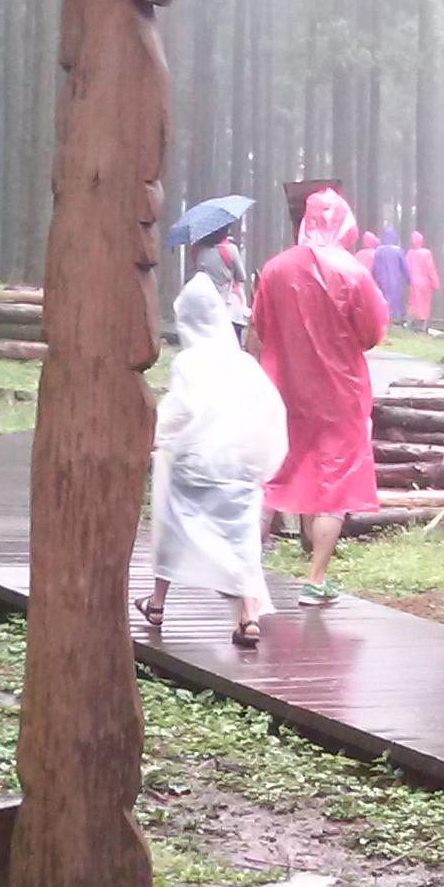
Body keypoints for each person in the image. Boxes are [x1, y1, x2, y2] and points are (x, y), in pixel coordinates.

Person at [249, 185, 386, 605]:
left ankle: (243, 570)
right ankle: (315, 578)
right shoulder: (354, 273)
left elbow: (260, 325)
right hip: (340, 393)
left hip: (283, 385)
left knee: (271, 473)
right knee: (334, 482)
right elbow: (372, 332)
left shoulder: (275, 269)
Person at [141, 273, 287, 649]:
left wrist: (154, 439)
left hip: (195, 465)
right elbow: (269, 410)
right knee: (242, 539)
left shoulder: (187, 362)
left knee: (171, 524)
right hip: (237, 467)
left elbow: (178, 411)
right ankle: (249, 616)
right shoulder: (244, 365)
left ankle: (157, 603)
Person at [370, 222, 410, 325]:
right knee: (394, 301)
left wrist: (372, 279)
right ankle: (393, 321)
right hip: (394, 281)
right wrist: (409, 280)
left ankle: (383, 321)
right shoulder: (398, 251)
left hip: (381, 280)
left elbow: (374, 267)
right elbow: (404, 267)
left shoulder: (378, 251)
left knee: (383, 299)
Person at [404, 229, 439, 326]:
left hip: (414, 282)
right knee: (425, 304)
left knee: (413, 302)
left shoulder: (410, 253)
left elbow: (406, 268)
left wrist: (408, 281)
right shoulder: (426, 253)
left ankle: (409, 323)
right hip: (425, 283)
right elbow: (431, 269)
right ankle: (423, 325)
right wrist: (435, 283)